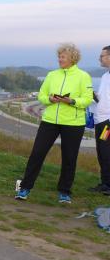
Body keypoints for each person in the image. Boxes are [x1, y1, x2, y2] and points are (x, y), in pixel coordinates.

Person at [15, 43, 93, 203]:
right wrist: (50, 99)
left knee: (69, 158)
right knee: (37, 153)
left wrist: (71, 101)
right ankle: (25, 188)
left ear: (72, 58)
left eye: (63, 57)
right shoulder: (51, 75)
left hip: (73, 123)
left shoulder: (83, 76)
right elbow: (41, 96)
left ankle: (64, 192)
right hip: (50, 121)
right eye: (59, 56)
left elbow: (87, 99)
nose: (60, 59)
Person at [90, 46, 110, 195]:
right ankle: (105, 183)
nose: (99, 58)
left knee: (106, 151)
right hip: (100, 120)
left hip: (108, 123)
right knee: (101, 152)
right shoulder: (105, 76)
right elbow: (104, 98)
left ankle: (107, 185)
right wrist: (93, 96)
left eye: (102, 56)